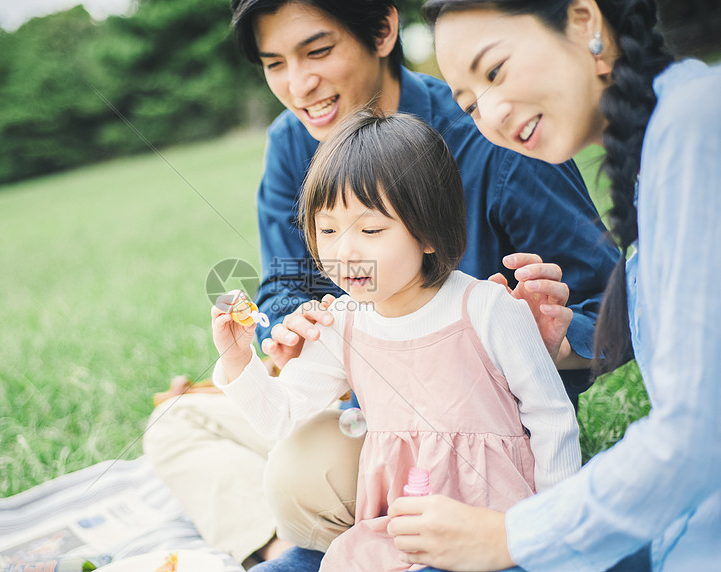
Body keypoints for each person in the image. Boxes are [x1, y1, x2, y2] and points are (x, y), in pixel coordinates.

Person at [142, 0, 617, 566]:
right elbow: (283, 289)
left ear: (385, 29)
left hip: (484, 433)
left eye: (318, 50)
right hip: (356, 397)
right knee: (177, 421)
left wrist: (558, 342)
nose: (300, 84)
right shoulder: (292, 144)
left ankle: (321, 540)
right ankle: (278, 546)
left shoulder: (494, 131)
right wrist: (282, 336)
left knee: (296, 476)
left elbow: (616, 302)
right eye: (275, 64)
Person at [381, 0, 721, 570]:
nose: (489, 115)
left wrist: (507, 538)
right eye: (468, 104)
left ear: (584, 21)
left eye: (494, 72)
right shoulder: (661, 144)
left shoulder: (694, 123)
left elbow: (695, 436)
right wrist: (558, 346)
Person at [211, 109, 581, 572]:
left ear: (427, 232)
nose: (344, 251)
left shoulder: (486, 308)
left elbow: (551, 418)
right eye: (327, 230)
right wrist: (236, 358)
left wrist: (554, 534)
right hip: (398, 537)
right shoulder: (342, 324)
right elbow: (279, 417)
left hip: (495, 530)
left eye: (370, 230)